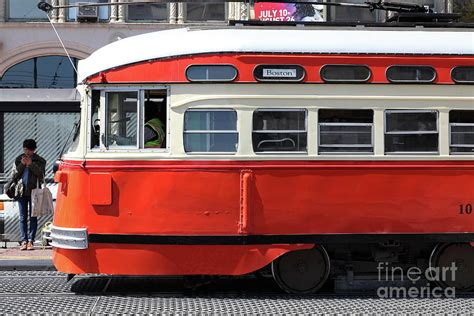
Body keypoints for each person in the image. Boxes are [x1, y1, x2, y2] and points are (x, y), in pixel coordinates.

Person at [12, 139, 46, 251]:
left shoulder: (40, 160)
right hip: (21, 191)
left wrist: (31, 165)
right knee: (22, 217)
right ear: (23, 148)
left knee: (33, 217)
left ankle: (31, 240)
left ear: (34, 150)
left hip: (34, 192)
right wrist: (22, 164)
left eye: (30, 150)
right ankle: (23, 241)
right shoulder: (18, 159)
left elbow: (41, 175)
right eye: (26, 150)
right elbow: (14, 176)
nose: (27, 153)